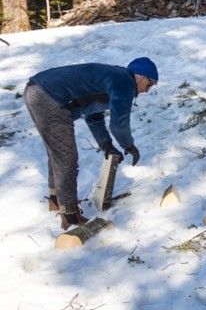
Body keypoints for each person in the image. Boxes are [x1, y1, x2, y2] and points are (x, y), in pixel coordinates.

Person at [24, 57, 158, 229]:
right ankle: (70, 216)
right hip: (49, 97)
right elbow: (119, 123)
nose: (147, 90)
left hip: (36, 90)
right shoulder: (125, 82)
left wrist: (106, 145)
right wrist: (128, 145)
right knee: (66, 157)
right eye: (149, 84)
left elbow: (93, 115)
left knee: (57, 152)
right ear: (140, 76)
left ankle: (56, 199)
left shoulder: (115, 77)